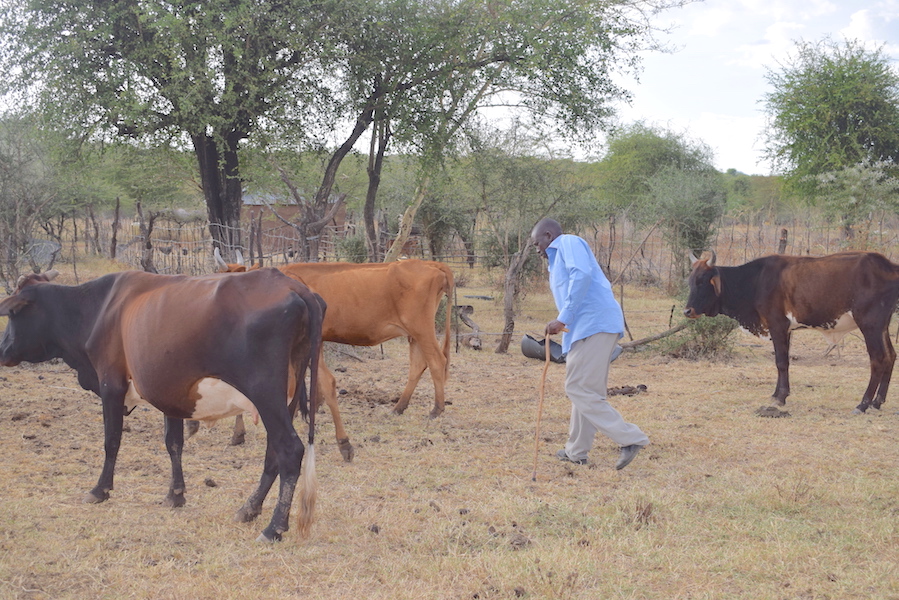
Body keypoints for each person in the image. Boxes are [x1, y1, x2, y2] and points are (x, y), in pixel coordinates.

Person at [530, 218, 649, 470]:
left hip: (594, 325)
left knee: (576, 388)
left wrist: (563, 318)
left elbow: (581, 274)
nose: (536, 248)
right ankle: (576, 452)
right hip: (583, 329)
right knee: (587, 392)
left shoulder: (568, 243)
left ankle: (630, 438)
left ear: (548, 235)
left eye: (536, 242)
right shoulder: (555, 260)